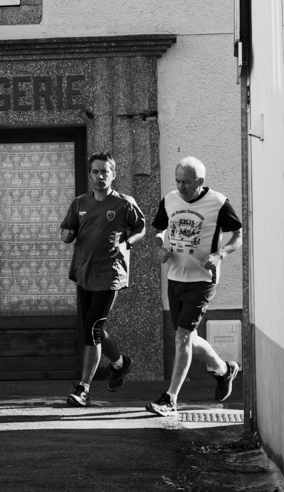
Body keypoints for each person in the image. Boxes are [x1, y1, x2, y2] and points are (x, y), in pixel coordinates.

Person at [145, 157, 243, 416]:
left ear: (200, 181)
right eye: (178, 181)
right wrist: (159, 248)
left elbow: (238, 235)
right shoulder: (169, 200)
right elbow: (156, 230)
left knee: (182, 337)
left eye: (187, 182)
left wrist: (220, 255)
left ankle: (170, 398)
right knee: (188, 337)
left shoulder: (219, 203)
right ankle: (225, 370)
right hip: (176, 277)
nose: (181, 186)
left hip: (202, 280)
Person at [60, 152, 147, 406]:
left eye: (105, 172)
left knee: (92, 329)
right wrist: (66, 234)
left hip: (110, 274)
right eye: (96, 172)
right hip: (84, 272)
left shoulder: (124, 203)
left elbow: (140, 228)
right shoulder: (79, 203)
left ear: (113, 174)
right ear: (90, 175)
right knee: (92, 327)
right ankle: (120, 364)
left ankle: (83, 389)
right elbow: (69, 229)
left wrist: (127, 243)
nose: (100, 176)